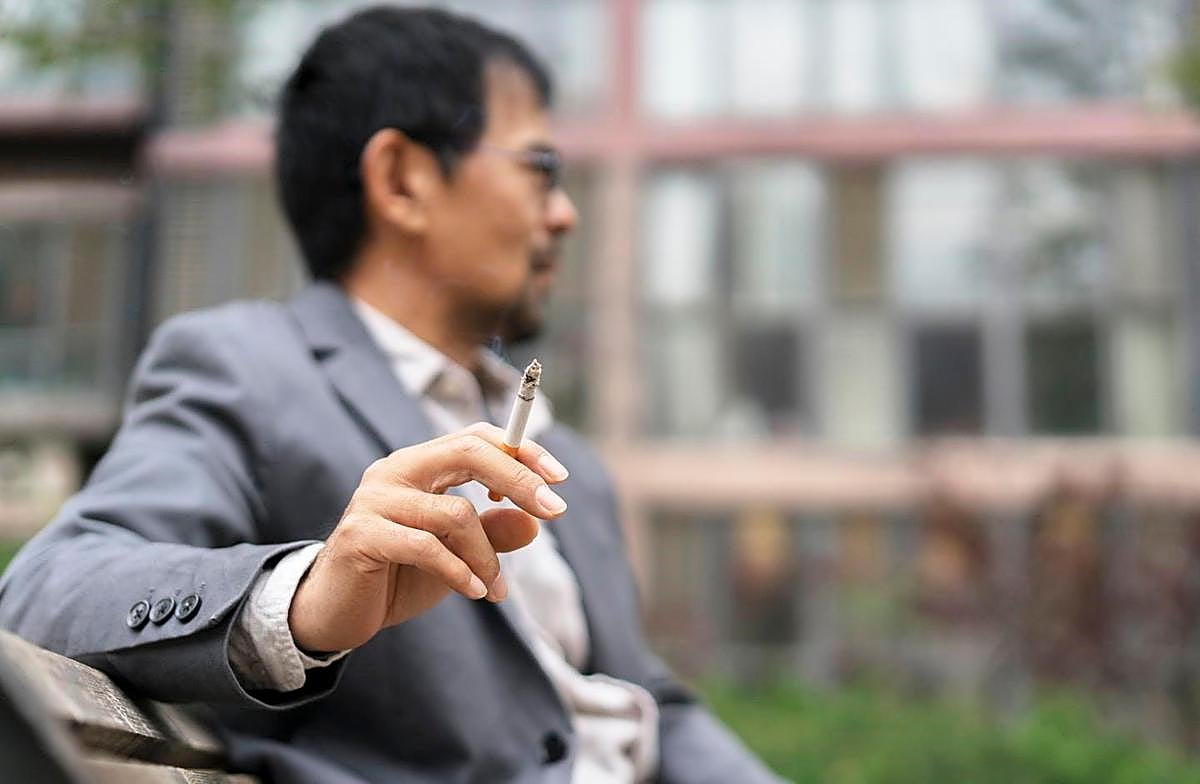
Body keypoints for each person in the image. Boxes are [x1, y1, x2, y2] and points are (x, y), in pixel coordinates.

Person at [0, 6, 785, 783]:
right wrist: (307, 595)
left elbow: (641, 701)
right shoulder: (244, 369)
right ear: (402, 179)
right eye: (540, 169)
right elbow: (43, 592)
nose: (565, 213)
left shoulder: (569, 456)